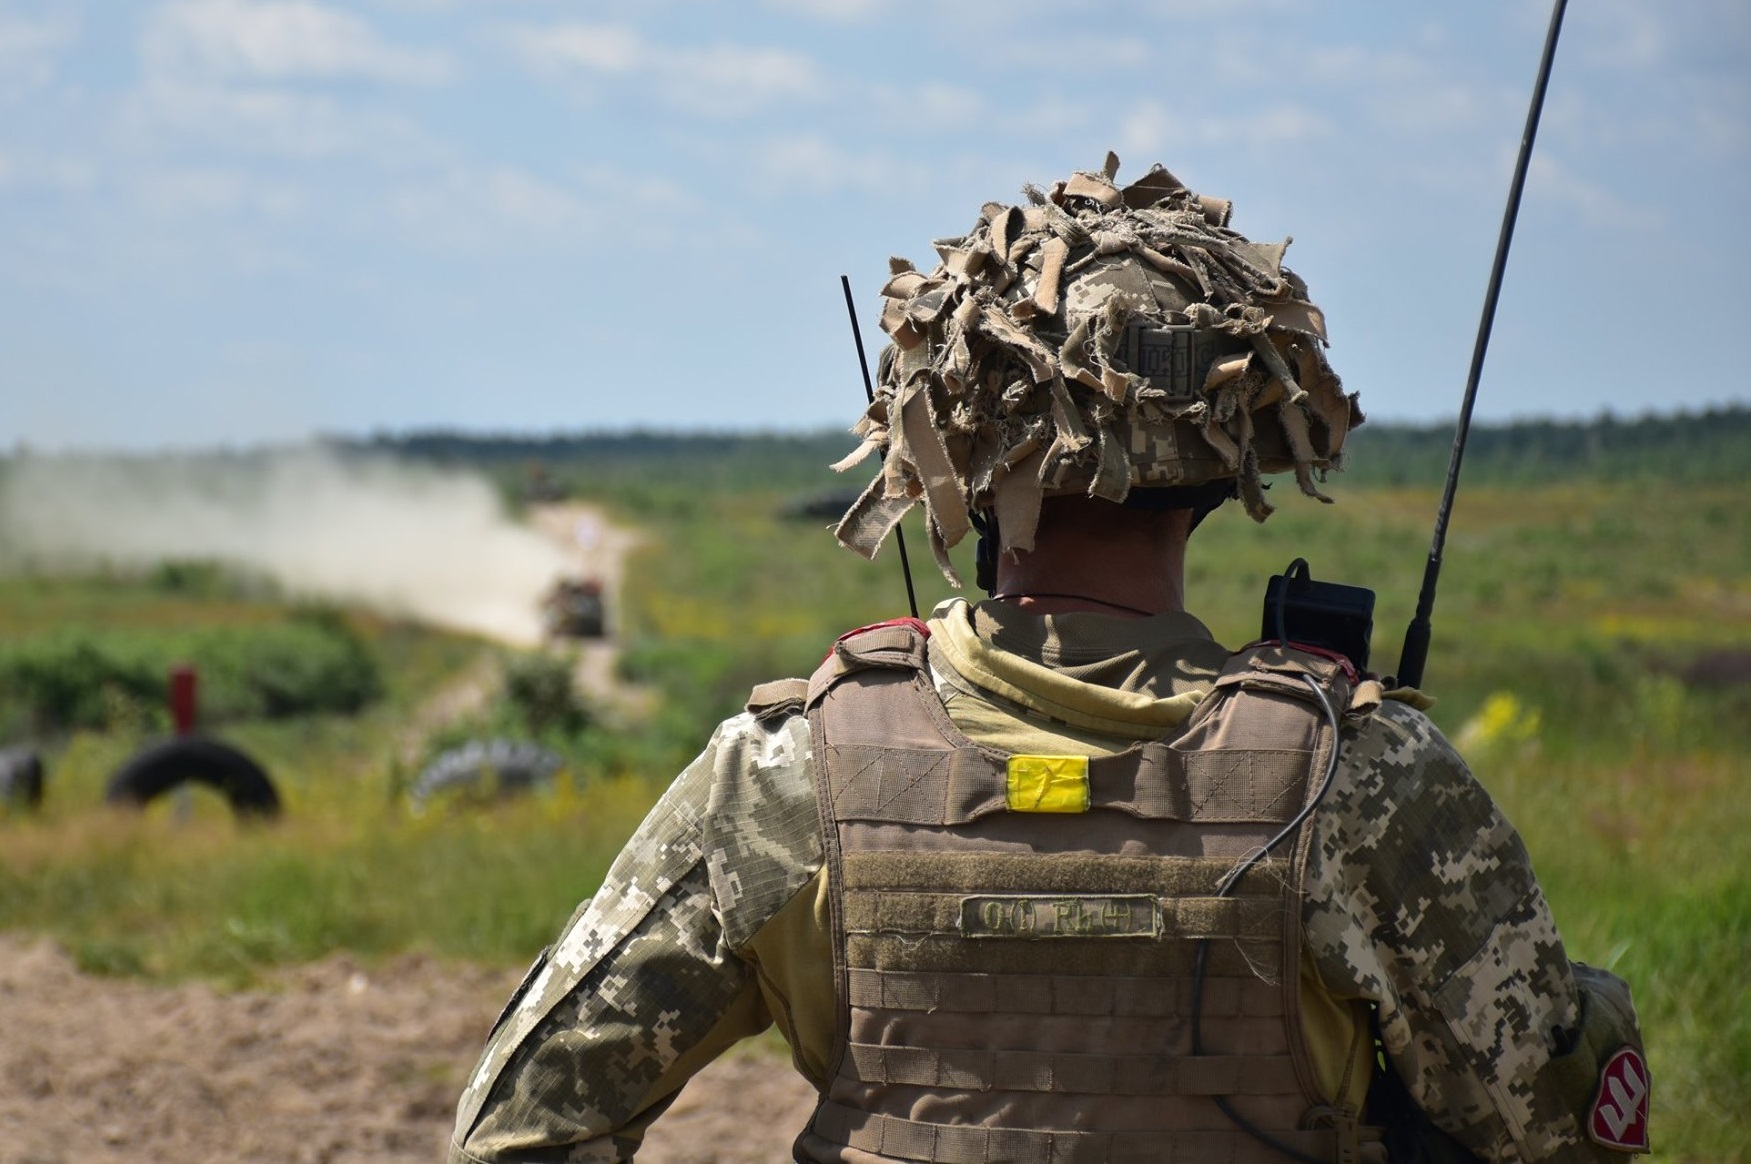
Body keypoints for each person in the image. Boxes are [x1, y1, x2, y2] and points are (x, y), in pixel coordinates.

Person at [450, 156, 1649, 1164]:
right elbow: (1553, 1127)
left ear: (952, 449)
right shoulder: (1361, 776)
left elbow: (519, 1125)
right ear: (1227, 460)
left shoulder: (784, 774)